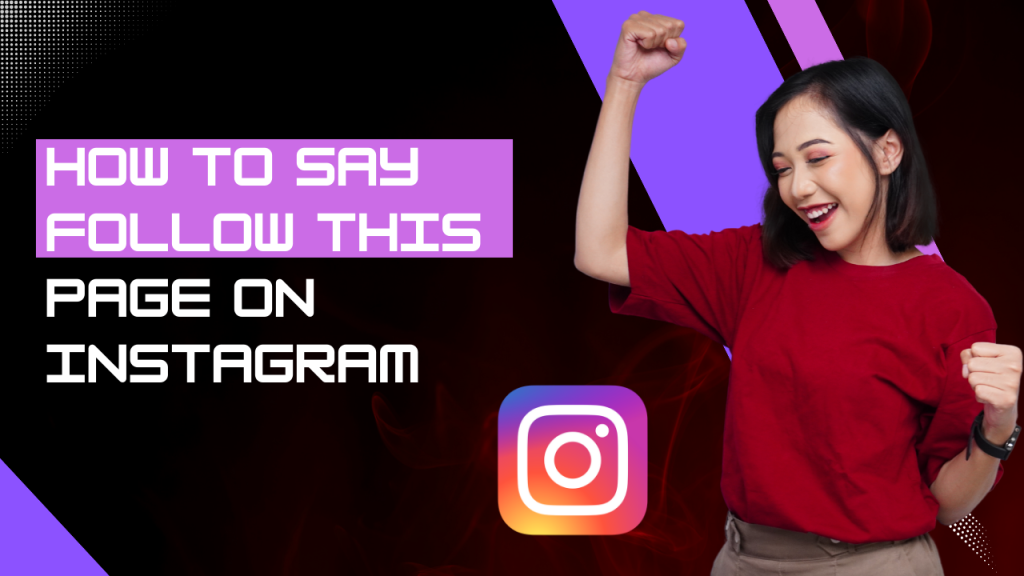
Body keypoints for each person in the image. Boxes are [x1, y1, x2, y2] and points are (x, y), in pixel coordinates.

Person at [573, 10, 1021, 576]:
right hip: (743, 558)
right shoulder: (755, 265)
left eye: (817, 158)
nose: (797, 187)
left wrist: (999, 425)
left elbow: (950, 501)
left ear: (888, 152)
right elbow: (600, 252)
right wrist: (624, 83)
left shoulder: (952, 308)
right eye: (782, 168)